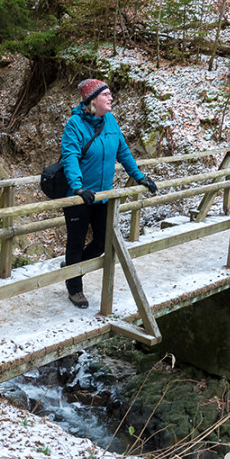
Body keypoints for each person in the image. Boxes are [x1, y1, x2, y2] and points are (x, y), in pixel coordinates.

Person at [60, 78, 157, 309]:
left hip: (104, 196)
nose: (111, 98)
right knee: (75, 243)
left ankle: (72, 268)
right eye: (106, 95)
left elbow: (123, 151)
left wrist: (140, 176)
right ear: (92, 100)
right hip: (80, 197)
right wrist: (77, 186)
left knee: (103, 241)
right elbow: (70, 156)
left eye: (110, 94)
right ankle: (75, 289)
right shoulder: (75, 124)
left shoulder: (110, 121)